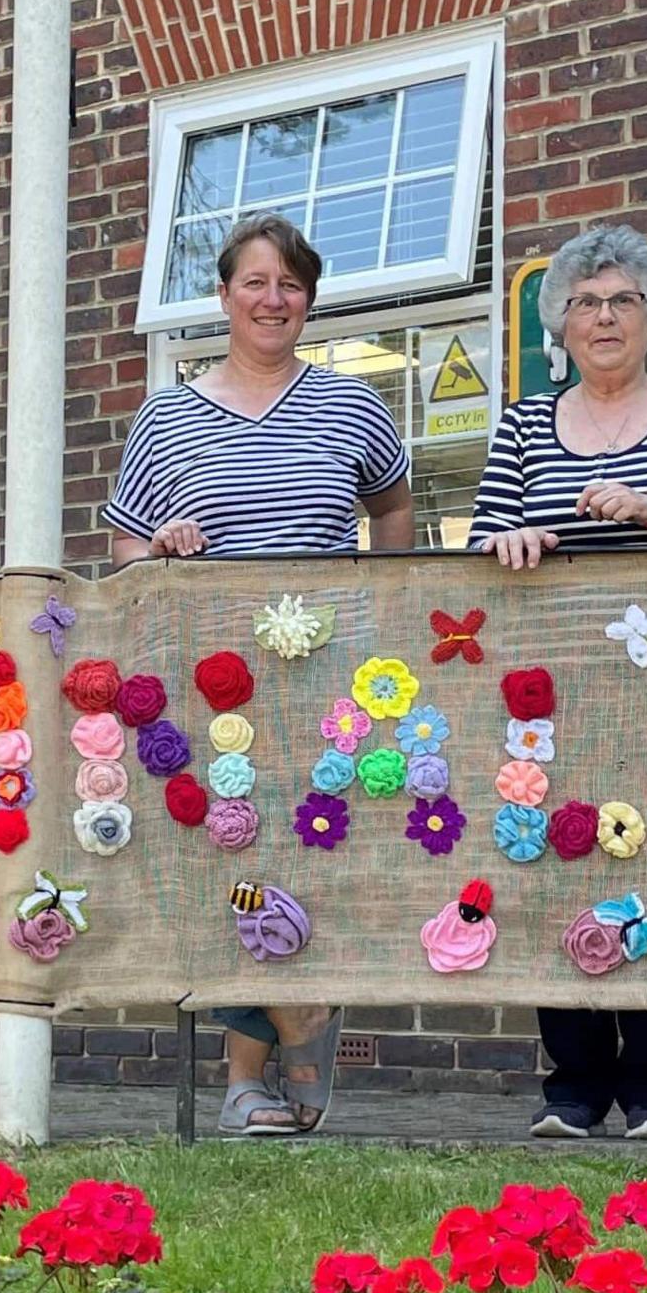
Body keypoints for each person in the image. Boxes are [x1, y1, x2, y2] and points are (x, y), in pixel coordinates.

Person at [106, 215, 412, 1135]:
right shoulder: (168, 415)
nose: (273, 300)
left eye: (291, 285)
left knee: (308, 854)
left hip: (324, 678)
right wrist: (156, 547)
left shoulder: (355, 406)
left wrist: (378, 608)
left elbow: (393, 510)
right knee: (233, 856)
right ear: (224, 295)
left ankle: (263, 1064)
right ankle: (290, 1032)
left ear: (309, 301)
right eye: (255, 282)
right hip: (212, 682)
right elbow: (122, 551)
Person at [471, 221, 647, 1140]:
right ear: (559, 324)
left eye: (624, 301)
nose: (604, 317)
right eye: (586, 303)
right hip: (550, 695)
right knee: (553, 858)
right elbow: (478, 544)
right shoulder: (523, 422)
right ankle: (572, 1084)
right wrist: (505, 542)